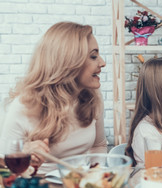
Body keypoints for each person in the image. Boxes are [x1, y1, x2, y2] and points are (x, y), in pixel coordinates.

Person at [0, 21, 107, 174]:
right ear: (69, 62)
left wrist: (96, 175)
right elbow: (4, 166)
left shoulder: (93, 98)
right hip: (39, 187)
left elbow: (99, 146)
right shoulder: (24, 104)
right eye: (93, 56)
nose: (102, 63)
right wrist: (24, 152)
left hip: (79, 187)